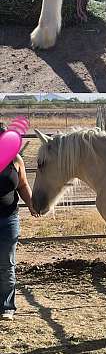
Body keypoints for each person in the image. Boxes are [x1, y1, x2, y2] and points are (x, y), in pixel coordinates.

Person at [0, 122, 39, 321]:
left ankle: (7, 306)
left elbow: (23, 185)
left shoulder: (15, 159)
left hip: (8, 219)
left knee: (6, 264)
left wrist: (32, 204)